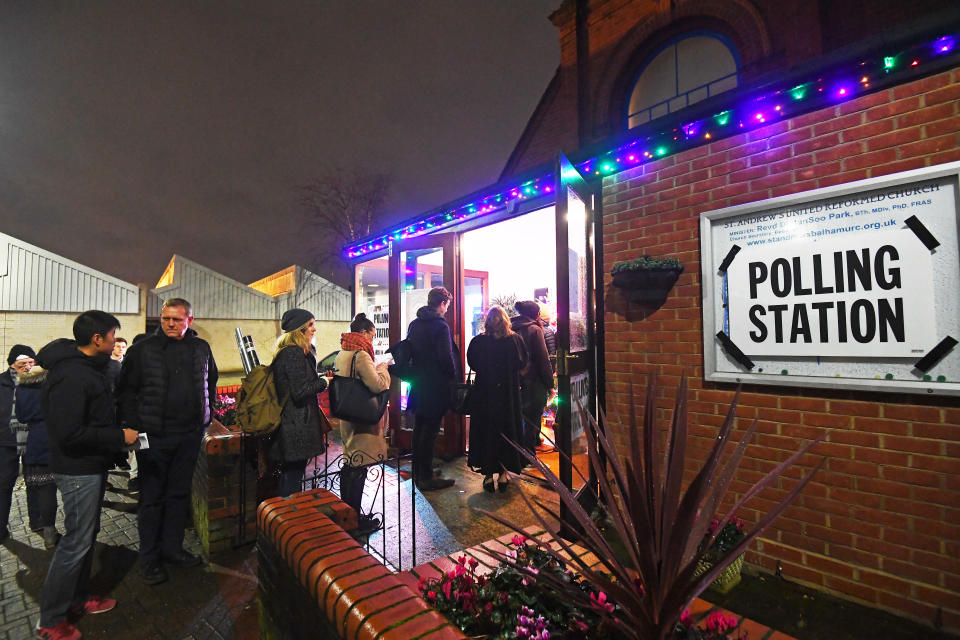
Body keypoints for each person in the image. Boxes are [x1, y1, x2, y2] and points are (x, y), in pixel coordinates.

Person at [35, 311, 138, 640]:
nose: (113, 342)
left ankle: (78, 600)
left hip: (89, 466)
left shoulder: (86, 369)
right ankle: (51, 620)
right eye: (111, 336)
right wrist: (119, 437)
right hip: (77, 469)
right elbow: (70, 433)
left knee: (83, 539)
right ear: (97, 340)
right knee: (75, 544)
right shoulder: (72, 375)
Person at [116, 298, 218, 585]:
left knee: (177, 495)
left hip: (188, 435)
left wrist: (205, 418)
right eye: (166, 319)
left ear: (189, 319)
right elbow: (126, 392)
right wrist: (135, 426)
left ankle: (172, 550)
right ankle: (149, 559)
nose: (170, 324)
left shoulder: (201, 348)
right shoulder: (142, 350)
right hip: (155, 437)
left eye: (176, 319)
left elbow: (210, 382)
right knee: (152, 498)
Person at [334, 313, 390, 534]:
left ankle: (347, 513)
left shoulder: (343, 352)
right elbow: (377, 385)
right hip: (362, 419)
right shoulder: (361, 356)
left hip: (349, 417)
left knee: (350, 465)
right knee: (359, 468)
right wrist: (383, 368)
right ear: (364, 333)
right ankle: (355, 519)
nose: (373, 341)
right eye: (372, 336)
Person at [467, 306, 528, 492]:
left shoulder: (478, 342)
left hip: (484, 395)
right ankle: (503, 474)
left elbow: (472, 362)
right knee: (507, 432)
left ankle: (487, 475)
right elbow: (523, 362)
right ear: (506, 321)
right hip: (507, 395)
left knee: (485, 433)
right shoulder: (515, 340)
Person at [271, 308, 329, 498]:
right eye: (310, 325)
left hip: (295, 423)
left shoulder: (293, 353)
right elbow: (300, 391)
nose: (314, 329)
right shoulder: (293, 354)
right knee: (293, 475)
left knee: (293, 472)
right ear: (300, 329)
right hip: (295, 425)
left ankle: (286, 516)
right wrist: (324, 382)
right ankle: (288, 515)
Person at [406, 286, 458, 491]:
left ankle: (419, 471)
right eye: (447, 305)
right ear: (443, 303)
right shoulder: (440, 326)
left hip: (418, 383)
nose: (446, 310)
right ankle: (426, 477)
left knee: (420, 429)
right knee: (430, 431)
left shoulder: (415, 324)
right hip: (435, 385)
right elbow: (446, 357)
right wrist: (452, 377)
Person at [15, 362, 62, 548]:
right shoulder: (54, 385)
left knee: (45, 488)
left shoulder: (22, 388)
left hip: (36, 441)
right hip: (58, 438)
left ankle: (48, 531)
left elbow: (21, 416)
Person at [1, 344, 36, 542]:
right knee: (3, 485)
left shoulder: (37, 382)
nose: (27, 367)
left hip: (32, 440)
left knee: (36, 482)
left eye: (31, 362)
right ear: (12, 364)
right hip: (5, 441)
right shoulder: (1, 382)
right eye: (23, 363)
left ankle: (38, 522)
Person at [511, 301, 554, 453]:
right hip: (534, 381)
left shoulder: (510, 327)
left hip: (514, 381)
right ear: (535, 314)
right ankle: (528, 455)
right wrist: (550, 384)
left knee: (520, 417)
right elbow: (543, 359)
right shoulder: (535, 330)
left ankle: (522, 452)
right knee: (532, 418)